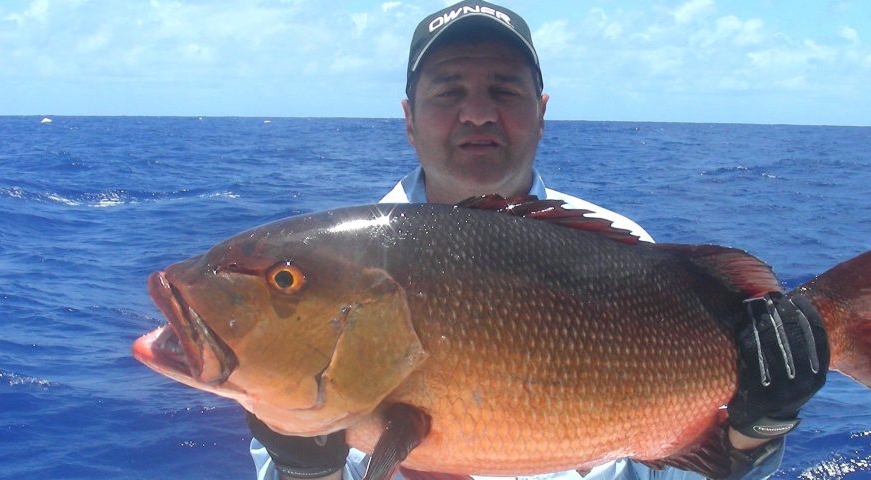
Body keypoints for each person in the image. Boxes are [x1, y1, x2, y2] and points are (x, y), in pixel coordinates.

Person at [247, 2, 829, 479]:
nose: (477, 113)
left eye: (504, 91)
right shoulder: (331, 275)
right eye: (449, 92)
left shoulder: (622, 248)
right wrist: (304, 469)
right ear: (408, 117)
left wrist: (755, 433)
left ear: (541, 112)